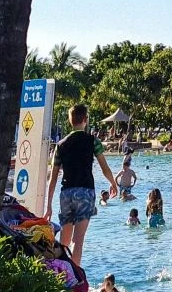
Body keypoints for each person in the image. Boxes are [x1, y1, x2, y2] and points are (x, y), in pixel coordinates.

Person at [42, 104, 119, 267]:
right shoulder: (93, 141)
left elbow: (53, 178)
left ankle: (60, 276)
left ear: (70, 121)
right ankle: (74, 278)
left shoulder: (60, 145)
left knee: (64, 240)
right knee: (78, 240)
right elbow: (105, 168)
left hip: (66, 193)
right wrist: (113, 183)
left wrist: (48, 206)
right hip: (85, 192)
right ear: (85, 120)